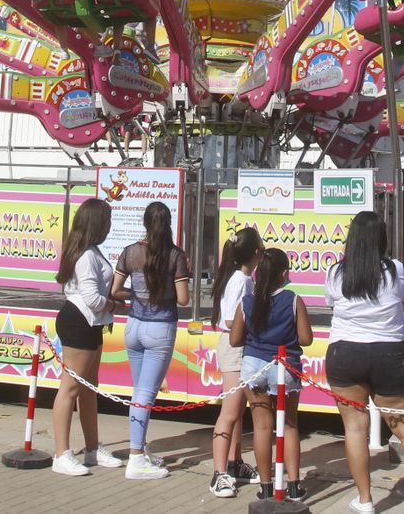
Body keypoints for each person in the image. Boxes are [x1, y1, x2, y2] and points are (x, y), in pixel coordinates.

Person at [325, 211, 404, 514]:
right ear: (382, 239)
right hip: (388, 354)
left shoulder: (336, 272)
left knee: (355, 430)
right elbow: (400, 298)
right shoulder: (395, 270)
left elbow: (331, 302)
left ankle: (365, 500)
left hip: (345, 353)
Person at [110, 201, 191, 481]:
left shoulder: (130, 252)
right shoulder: (175, 255)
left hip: (133, 325)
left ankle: (141, 450)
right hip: (160, 328)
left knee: (139, 392)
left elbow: (115, 290)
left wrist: (137, 295)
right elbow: (183, 299)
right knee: (145, 395)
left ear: (144, 222)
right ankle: (135, 458)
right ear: (169, 224)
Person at [232, 248, 313, 502]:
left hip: (254, 366)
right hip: (285, 365)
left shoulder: (247, 301)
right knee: (289, 425)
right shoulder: (293, 299)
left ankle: (266, 487)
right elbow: (306, 338)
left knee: (261, 427)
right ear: (284, 273)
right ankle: (294, 486)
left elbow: (235, 339)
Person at [52, 199, 123, 477]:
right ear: (96, 224)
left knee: (89, 388)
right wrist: (115, 305)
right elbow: (93, 298)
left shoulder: (90, 251)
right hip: (79, 321)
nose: (109, 226)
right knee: (70, 388)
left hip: (92, 324)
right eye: (107, 221)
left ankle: (92, 448)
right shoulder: (85, 255)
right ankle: (62, 453)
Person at [209, 227, 264, 497]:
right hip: (234, 348)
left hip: (239, 347)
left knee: (238, 410)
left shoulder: (240, 278)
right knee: (229, 412)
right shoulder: (241, 280)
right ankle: (219, 473)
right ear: (256, 253)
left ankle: (235, 462)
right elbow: (232, 320)